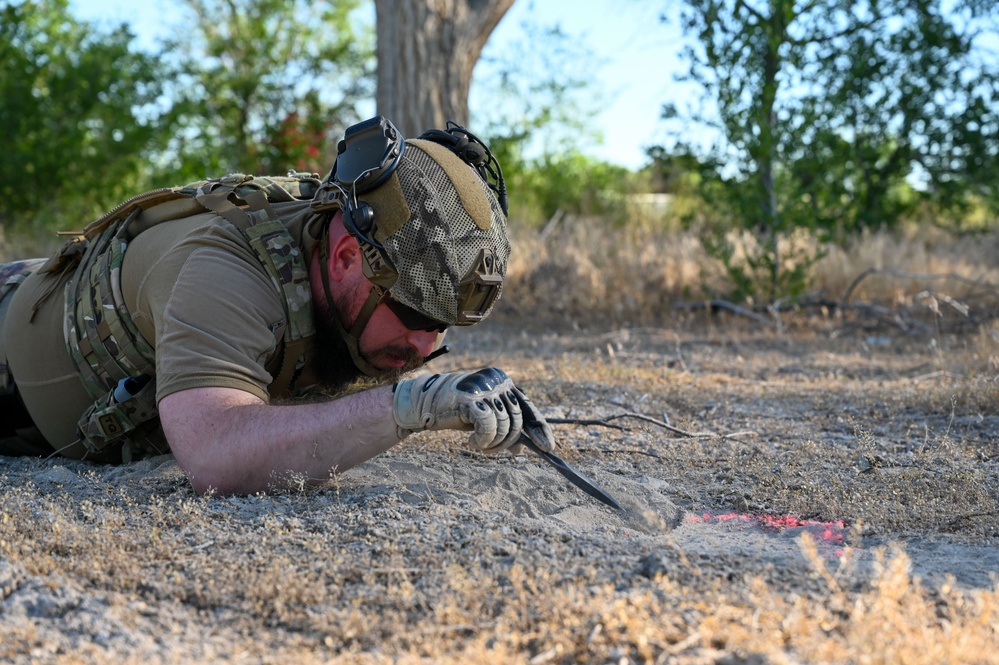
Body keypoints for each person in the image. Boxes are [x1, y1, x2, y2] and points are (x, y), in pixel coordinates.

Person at [0, 116, 555, 495]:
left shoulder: (355, 254)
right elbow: (212, 454)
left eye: (443, 327)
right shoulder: (227, 273)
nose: (424, 346)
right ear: (343, 257)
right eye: (413, 316)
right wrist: (407, 405)